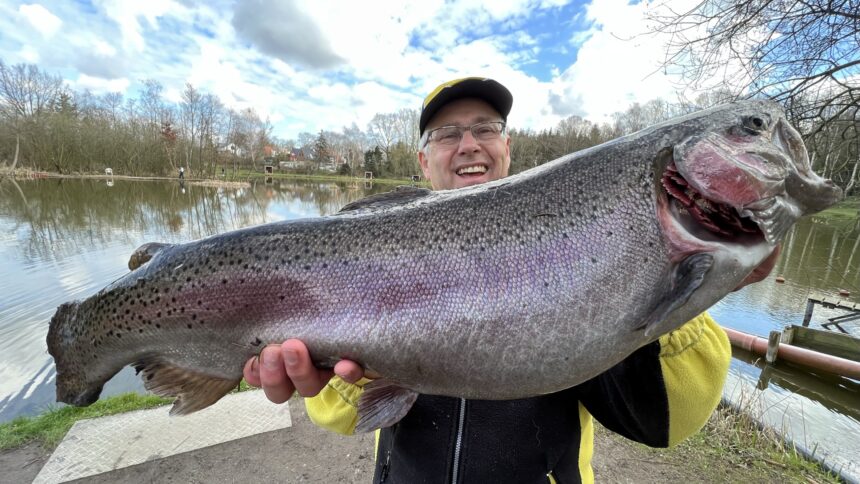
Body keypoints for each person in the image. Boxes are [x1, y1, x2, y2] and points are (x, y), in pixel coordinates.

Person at [243, 77, 778, 483]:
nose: (469, 144)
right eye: (448, 133)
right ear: (423, 160)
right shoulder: (365, 246)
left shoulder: (590, 239)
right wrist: (340, 374)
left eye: (485, 129)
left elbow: (669, 422)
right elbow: (341, 417)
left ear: (507, 149)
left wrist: (686, 280)